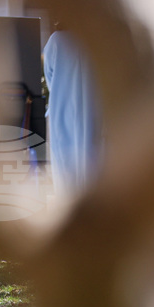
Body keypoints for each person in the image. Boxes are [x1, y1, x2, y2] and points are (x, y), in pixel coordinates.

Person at [42, 24, 101, 196]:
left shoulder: (56, 41)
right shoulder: (99, 39)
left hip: (63, 112)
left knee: (66, 174)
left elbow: (50, 77)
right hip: (95, 110)